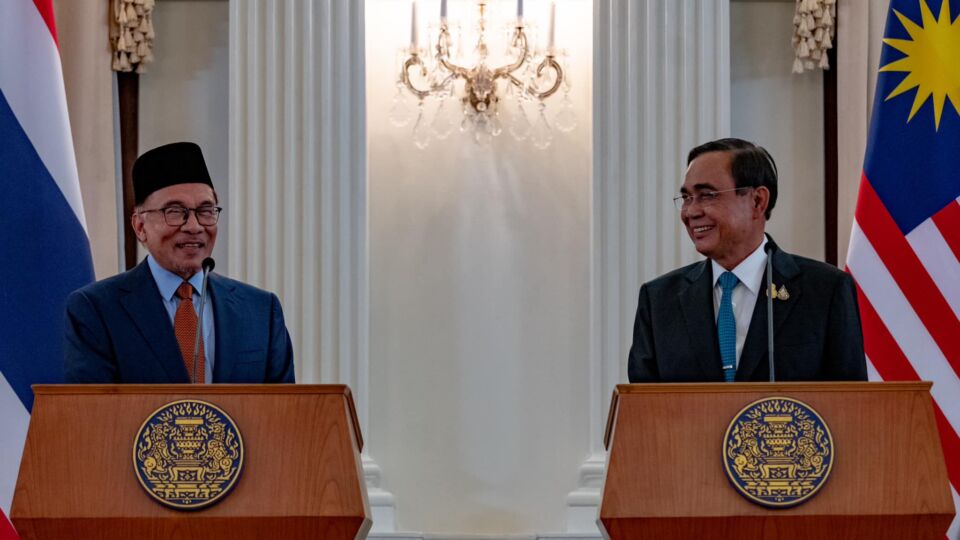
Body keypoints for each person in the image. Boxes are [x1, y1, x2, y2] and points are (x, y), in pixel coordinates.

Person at [627, 138, 866, 383]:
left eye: (707, 195)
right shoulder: (659, 300)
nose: (691, 212)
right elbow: (643, 411)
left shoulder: (825, 291)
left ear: (757, 201)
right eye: (687, 198)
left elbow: (850, 407)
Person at [64, 142, 295, 383]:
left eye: (205, 211)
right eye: (175, 212)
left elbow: (286, 411)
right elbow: (88, 414)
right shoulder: (97, 309)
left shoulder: (260, 310)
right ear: (140, 227)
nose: (194, 227)